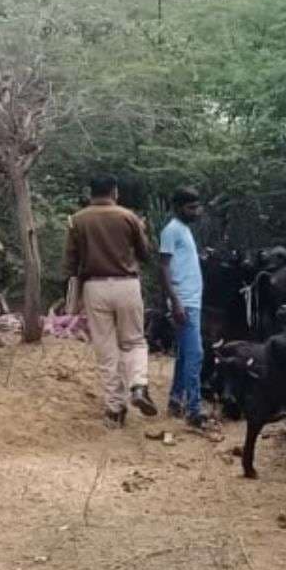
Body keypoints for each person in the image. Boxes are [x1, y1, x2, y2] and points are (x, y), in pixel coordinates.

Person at [63, 174, 158, 428]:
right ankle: (138, 385)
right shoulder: (128, 217)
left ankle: (114, 409)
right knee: (134, 341)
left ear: (90, 192)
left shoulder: (77, 220)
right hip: (127, 285)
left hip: (94, 287)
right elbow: (145, 253)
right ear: (114, 192)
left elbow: (70, 263)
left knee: (106, 349)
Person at [158, 186, 206, 427]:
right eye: (191, 207)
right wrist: (175, 300)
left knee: (185, 354)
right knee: (195, 354)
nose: (196, 211)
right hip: (184, 301)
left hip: (191, 299)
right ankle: (194, 409)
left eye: (197, 206)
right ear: (177, 208)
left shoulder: (184, 230)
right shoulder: (172, 231)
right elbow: (164, 267)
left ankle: (176, 400)